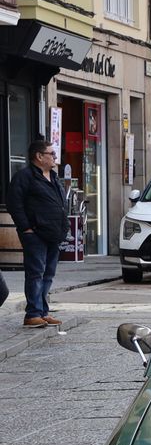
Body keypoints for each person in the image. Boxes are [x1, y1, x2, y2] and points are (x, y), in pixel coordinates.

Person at [7, 140, 69, 328]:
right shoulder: (24, 177)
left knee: (48, 274)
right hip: (35, 234)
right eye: (51, 154)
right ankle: (32, 314)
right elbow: (14, 204)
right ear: (39, 156)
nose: (55, 157)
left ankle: (42, 311)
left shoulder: (54, 177)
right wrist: (26, 228)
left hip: (54, 234)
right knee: (36, 273)